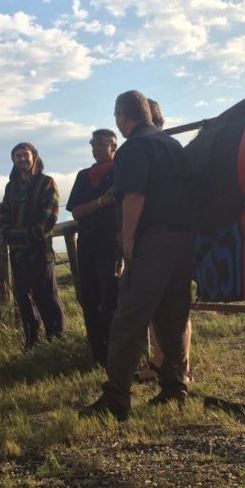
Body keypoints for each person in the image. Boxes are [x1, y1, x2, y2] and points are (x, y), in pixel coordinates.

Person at [81, 90, 195, 420]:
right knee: (171, 316)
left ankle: (116, 396)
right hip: (182, 241)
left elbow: (134, 196)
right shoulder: (172, 145)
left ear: (121, 116)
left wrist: (128, 239)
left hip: (152, 242)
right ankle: (175, 387)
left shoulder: (134, 148)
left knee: (129, 318)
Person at [137, 98, 194, 384]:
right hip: (177, 235)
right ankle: (166, 366)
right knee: (168, 308)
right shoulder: (172, 148)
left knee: (171, 309)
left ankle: (175, 369)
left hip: (161, 236)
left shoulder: (155, 149)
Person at [1, 142, 65, 349]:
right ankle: (32, 342)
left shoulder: (47, 183)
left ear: (34, 156)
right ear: (13, 160)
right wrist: (11, 235)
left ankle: (56, 342)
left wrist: (20, 235)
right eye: (17, 156)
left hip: (40, 251)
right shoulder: (10, 188)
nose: (21, 159)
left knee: (46, 296)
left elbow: (49, 219)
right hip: (18, 255)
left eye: (25, 155)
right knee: (23, 299)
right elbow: (4, 218)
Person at [66, 129, 119, 367]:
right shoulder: (83, 176)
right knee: (89, 298)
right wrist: (100, 202)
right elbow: (76, 211)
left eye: (102, 143)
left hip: (113, 244)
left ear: (114, 147)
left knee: (112, 298)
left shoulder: (122, 172)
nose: (97, 148)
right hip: (87, 244)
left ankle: (116, 353)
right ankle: (97, 353)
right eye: (93, 143)